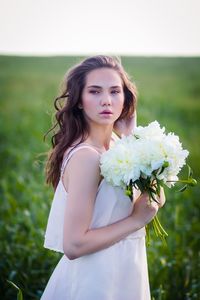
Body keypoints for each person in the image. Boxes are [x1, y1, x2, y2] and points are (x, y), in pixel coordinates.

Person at [41, 55, 165, 300]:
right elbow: (74, 245)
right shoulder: (86, 157)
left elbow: (155, 199)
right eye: (95, 91)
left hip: (127, 269)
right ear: (79, 100)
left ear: (125, 99)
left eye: (115, 91)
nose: (106, 100)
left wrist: (131, 141)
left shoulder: (121, 147)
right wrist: (135, 221)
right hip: (95, 278)